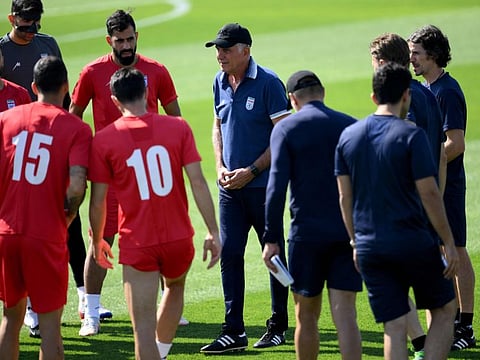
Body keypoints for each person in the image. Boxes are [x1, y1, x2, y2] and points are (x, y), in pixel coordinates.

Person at [88, 67, 221, 360]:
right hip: (178, 237)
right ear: (147, 94)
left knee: (142, 331)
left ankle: (154, 353)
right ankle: (160, 353)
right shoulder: (179, 128)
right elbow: (197, 182)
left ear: (113, 100)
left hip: (139, 241)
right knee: (174, 288)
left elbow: (98, 202)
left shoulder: (105, 140)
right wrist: (213, 230)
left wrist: (98, 240)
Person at [70, 9, 183, 336]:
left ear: (136, 37)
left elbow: (175, 119)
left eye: (130, 39)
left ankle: (167, 304)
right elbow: (73, 117)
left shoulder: (156, 71)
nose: (126, 45)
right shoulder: (92, 73)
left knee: (159, 238)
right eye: (120, 40)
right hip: (110, 176)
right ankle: (91, 312)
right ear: (110, 41)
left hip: (149, 174)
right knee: (101, 242)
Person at [335, 62, 458, 360]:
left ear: (373, 97)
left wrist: (354, 242)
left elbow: (344, 198)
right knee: (444, 310)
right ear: (406, 95)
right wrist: (448, 241)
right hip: (412, 241)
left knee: (394, 325)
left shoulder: (348, 136)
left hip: (369, 246)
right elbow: (429, 192)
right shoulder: (410, 135)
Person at [0, 0, 92, 338]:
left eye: (35, 24)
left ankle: (85, 298)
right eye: (25, 26)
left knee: (73, 225)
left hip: (53, 142)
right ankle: (30, 308)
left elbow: (63, 93)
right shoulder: (2, 51)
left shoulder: (48, 44)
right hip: (21, 147)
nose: (31, 31)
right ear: (12, 19)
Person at [200, 23, 290, 354]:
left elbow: (282, 137)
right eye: (217, 49)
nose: (220, 54)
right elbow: (217, 125)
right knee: (231, 254)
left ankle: (279, 325)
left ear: (245, 51)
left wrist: (251, 171)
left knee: (274, 255)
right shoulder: (219, 82)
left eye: (226, 48)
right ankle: (233, 331)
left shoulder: (268, 84)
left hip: (264, 187)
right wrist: (221, 166)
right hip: (230, 189)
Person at [262, 70, 362, 360]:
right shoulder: (349, 126)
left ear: (292, 99)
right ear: (323, 92)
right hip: (346, 234)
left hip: (306, 236)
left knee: (306, 315)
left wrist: (270, 238)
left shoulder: (286, 129)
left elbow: (276, 185)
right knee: (346, 317)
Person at [369, 32, 446, 360]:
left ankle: (420, 344)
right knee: (437, 301)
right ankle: (421, 343)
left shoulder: (403, 101)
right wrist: (436, 199)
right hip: (425, 207)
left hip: (403, 213)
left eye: (373, 62)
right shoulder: (427, 94)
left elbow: (400, 152)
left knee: (399, 296)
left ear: (383, 62)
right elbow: (440, 155)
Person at [408, 25, 476, 352]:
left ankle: (465, 324)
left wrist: (425, 166)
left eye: (416, 54)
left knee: (456, 249)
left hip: (447, 185)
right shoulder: (426, 88)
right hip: (434, 182)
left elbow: (456, 143)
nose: (411, 60)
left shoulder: (446, 91)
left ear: (433, 55)